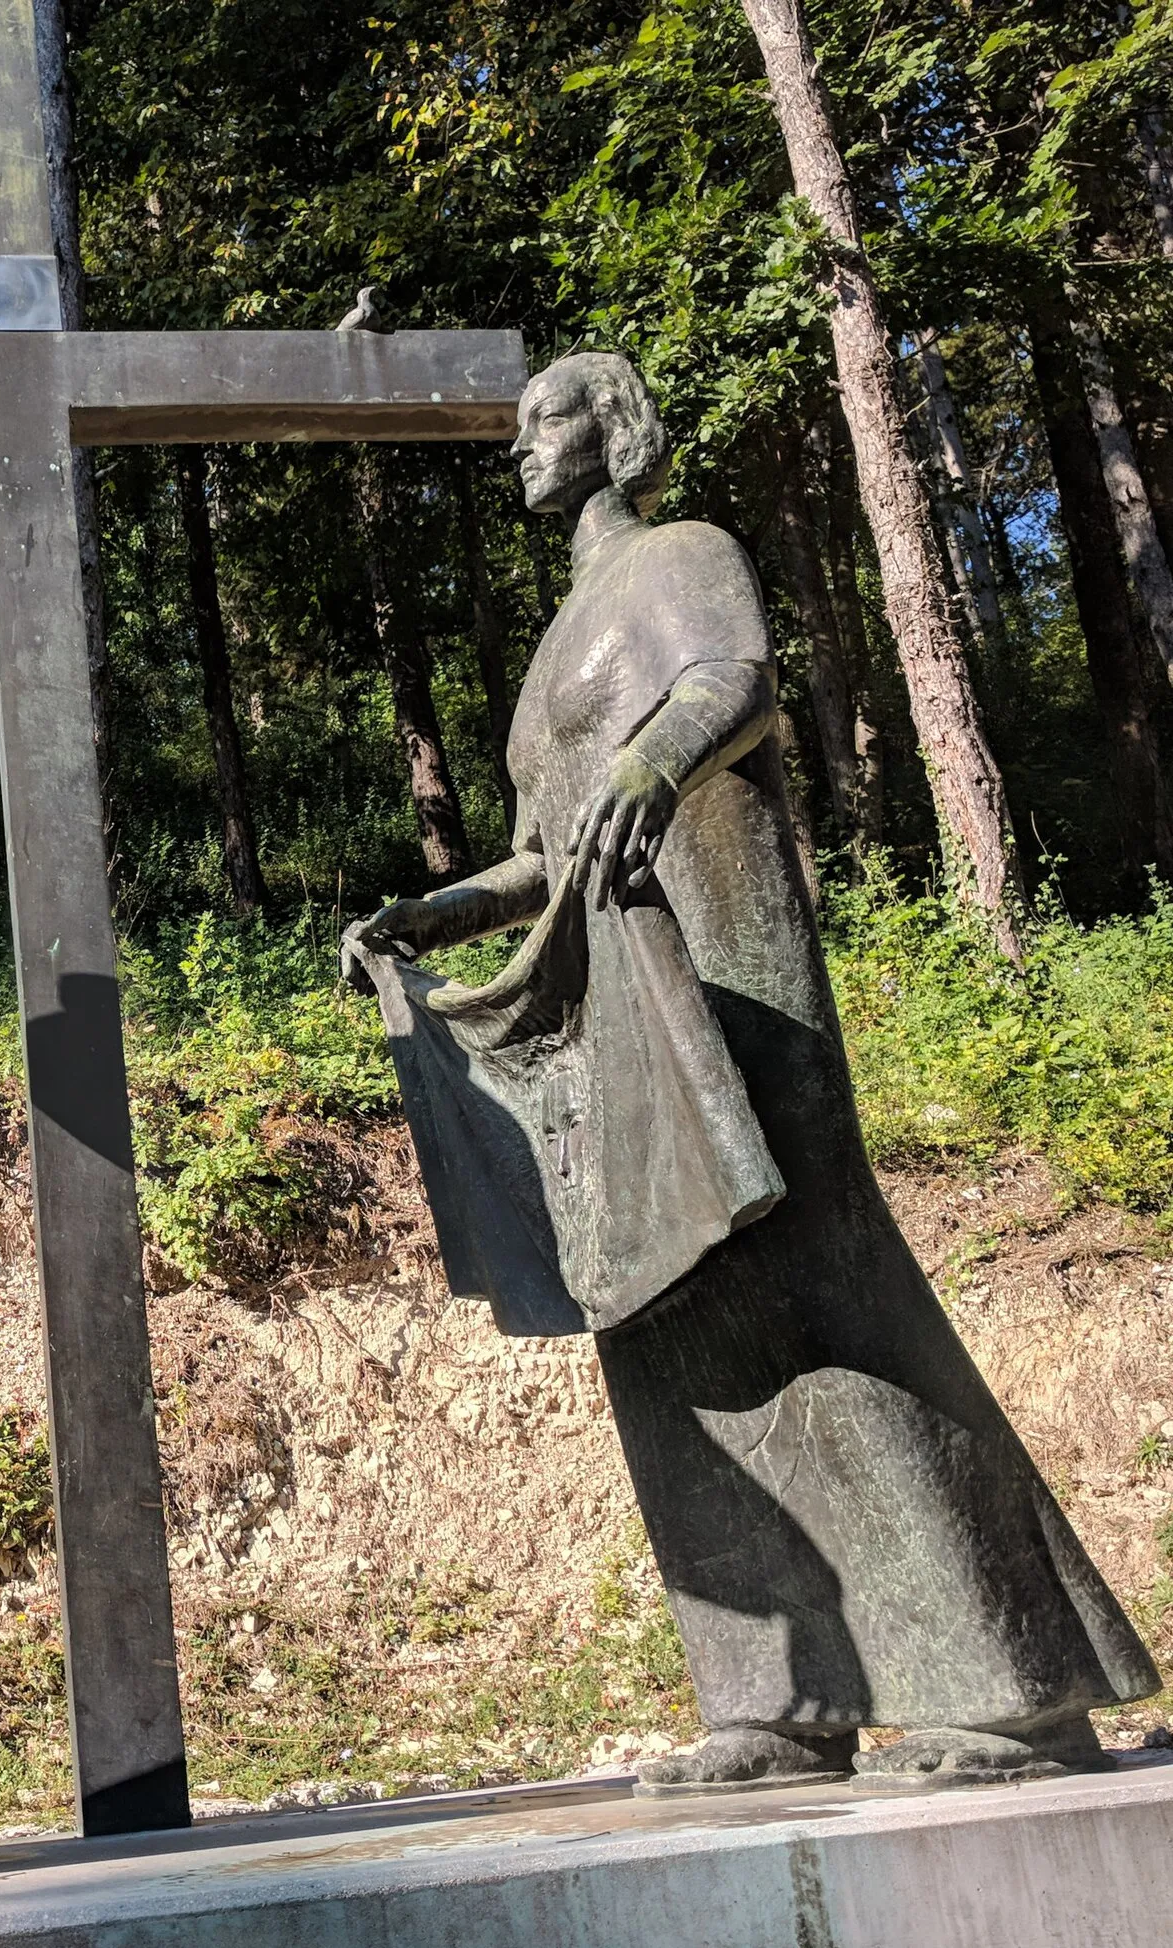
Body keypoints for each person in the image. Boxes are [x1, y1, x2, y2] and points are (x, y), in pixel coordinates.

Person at [346, 351, 1158, 1791]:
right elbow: (550, 849)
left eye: (547, 420)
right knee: (665, 1318)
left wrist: (656, 764)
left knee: (815, 1288)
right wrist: (437, 910)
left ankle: (1017, 1685)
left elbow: (738, 686)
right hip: (617, 993)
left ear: (613, 430)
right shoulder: (551, 651)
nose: (522, 448)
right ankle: (782, 1700)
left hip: (726, 956)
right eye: (524, 425)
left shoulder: (682, 553)